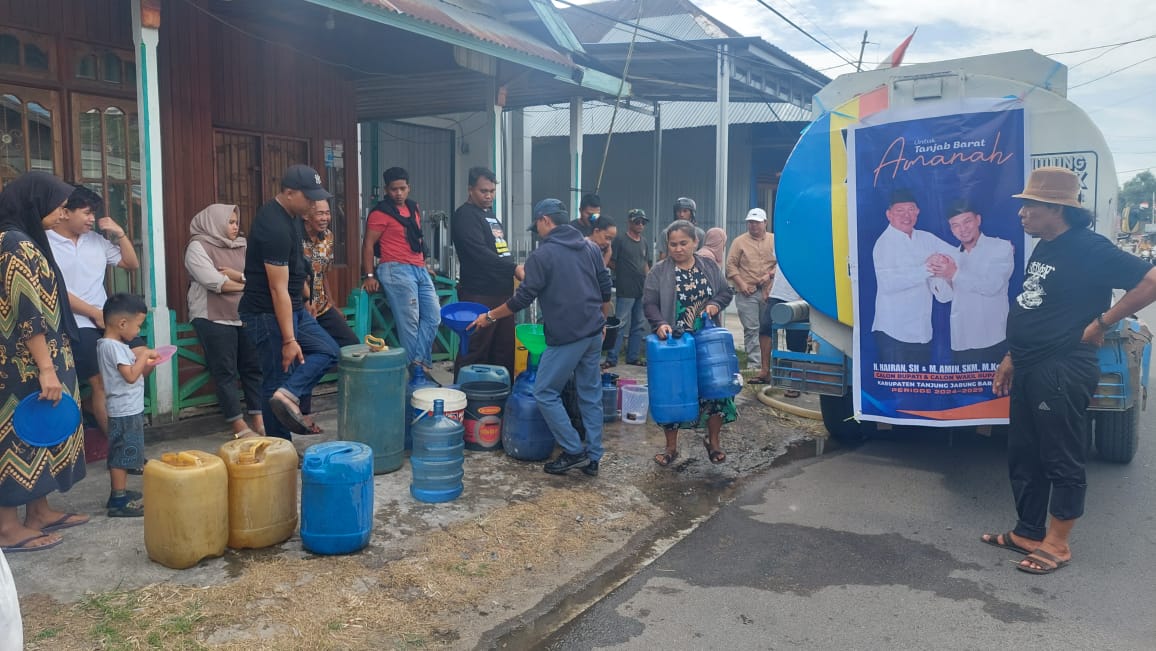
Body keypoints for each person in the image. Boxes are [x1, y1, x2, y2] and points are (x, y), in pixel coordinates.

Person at [984, 167, 1156, 575]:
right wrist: (1012, 356)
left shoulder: (1088, 247)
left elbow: (1150, 278)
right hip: (1029, 364)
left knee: (1059, 456)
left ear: (1056, 209)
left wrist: (1102, 322)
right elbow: (1034, 304)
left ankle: (1057, 544)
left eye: (1030, 206)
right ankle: (1027, 531)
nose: (1022, 213)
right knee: (1024, 453)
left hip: (1062, 366)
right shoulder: (1045, 245)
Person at [468, 199, 612, 477]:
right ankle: (593, 456)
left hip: (568, 335)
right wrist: (602, 322)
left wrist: (489, 317)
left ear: (545, 220)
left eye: (537, 225)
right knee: (590, 393)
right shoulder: (591, 247)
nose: (537, 231)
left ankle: (573, 450)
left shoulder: (542, 255)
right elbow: (605, 289)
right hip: (593, 331)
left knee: (544, 392)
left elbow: (522, 298)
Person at [0, 172, 89, 553]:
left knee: (43, 434)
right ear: (34, 202)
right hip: (24, 366)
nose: (62, 211)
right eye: (58, 204)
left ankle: (39, 511)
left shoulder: (27, 240)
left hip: (41, 359)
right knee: (17, 438)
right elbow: (26, 311)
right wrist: (46, 368)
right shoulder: (12, 243)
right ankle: (6, 528)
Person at [238, 164, 340, 440]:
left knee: (329, 350)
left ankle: (289, 395)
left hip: (294, 306)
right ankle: (280, 448)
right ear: (288, 192)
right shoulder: (273, 226)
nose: (314, 203)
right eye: (308, 197)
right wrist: (288, 340)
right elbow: (276, 288)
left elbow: (297, 267)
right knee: (275, 379)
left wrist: (305, 296)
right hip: (265, 314)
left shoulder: (292, 216)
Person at [47, 185, 140, 438]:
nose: (92, 219)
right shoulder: (46, 243)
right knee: (100, 382)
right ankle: (120, 446)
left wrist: (120, 233)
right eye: (87, 213)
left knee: (142, 359)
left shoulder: (97, 241)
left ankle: (99, 416)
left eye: (93, 213)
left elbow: (131, 264)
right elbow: (55, 289)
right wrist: (93, 313)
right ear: (65, 212)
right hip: (75, 322)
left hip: (105, 319)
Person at [644, 220, 735, 467]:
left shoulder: (708, 266)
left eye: (683, 243)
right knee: (673, 392)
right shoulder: (659, 271)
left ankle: (713, 442)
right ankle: (671, 448)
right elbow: (649, 302)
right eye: (673, 244)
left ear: (695, 242)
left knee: (715, 392)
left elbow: (726, 292)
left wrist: (715, 303)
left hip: (706, 341)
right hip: (676, 343)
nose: (678, 248)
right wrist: (660, 323)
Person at [185, 203, 264, 439]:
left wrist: (238, 277)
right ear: (214, 222)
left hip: (244, 314)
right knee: (225, 371)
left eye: (236, 222)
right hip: (212, 317)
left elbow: (256, 274)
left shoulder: (243, 245)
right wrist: (248, 286)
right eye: (230, 222)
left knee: (253, 367)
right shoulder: (197, 247)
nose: (235, 226)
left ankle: (259, 419)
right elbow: (214, 283)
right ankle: (238, 425)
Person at [361, 167, 439, 372]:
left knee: (434, 316)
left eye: (402, 188)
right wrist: (370, 275)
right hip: (395, 269)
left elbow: (417, 238)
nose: (399, 193)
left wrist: (424, 264)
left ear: (408, 188)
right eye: (394, 189)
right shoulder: (380, 213)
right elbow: (368, 244)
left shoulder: (413, 208)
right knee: (410, 323)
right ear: (386, 189)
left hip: (418, 268)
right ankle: (416, 373)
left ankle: (417, 363)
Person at [451, 167, 522, 377]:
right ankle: (463, 397)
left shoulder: (490, 216)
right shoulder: (464, 216)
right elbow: (480, 253)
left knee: (503, 349)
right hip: (478, 293)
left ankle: (499, 399)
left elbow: (501, 251)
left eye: (492, 190)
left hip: (503, 293)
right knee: (475, 347)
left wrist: (512, 270)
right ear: (470, 189)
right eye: (483, 191)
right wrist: (513, 267)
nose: (489, 195)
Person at [870, 188, 954, 366]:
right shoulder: (884, 243)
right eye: (900, 211)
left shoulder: (926, 238)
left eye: (911, 210)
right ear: (889, 214)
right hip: (893, 333)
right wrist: (928, 267)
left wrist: (995, 251)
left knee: (920, 387)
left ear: (917, 212)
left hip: (922, 332)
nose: (906, 215)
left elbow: (957, 254)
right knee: (898, 391)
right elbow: (888, 283)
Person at [933, 199, 1015, 364]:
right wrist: (940, 273)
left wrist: (954, 273)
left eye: (967, 221)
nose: (962, 229)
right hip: (961, 340)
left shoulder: (1001, 247)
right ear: (951, 229)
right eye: (955, 225)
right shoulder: (952, 255)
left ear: (978, 220)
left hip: (993, 338)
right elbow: (943, 297)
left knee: (998, 388)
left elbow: (993, 286)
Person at [97, 294, 156, 517]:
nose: (138, 332)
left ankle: (118, 494)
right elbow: (131, 376)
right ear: (122, 323)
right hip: (124, 411)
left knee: (125, 453)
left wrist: (150, 363)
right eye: (138, 326)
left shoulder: (118, 346)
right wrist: (145, 355)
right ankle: (118, 501)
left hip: (128, 408)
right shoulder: (112, 347)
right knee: (121, 456)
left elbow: (136, 374)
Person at [726, 208, 776, 370]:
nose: (753, 225)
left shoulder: (775, 240)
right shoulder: (739, 241)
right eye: (750, 222)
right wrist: (741, 284)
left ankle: (768, 363)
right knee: (751, 328)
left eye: (757, 222)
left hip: (770, 291)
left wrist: (769, 275)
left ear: (765, 223)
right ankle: (755, 364)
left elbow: (781, 262)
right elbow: (731, 265)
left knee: (768, 328)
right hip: (747, 291)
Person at [606, 209, 652, 368]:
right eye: (637, 221)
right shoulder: (620, 240)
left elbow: (646, 264)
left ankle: (632, 356)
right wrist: (622, 272)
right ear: (630, 222)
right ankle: (612, 358)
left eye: (643, 222)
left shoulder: (644, 242)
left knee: (639, 324)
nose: (640, 225)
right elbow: (610, 260)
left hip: (640, 289)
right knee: (620, 324)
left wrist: (649, 281)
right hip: (625, 289)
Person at [754, 268, 806, 395]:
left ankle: (796, 381)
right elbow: (778, 264)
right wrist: (770, 284)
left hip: (800, 293)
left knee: (796, 336)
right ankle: (765, 371)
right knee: (766, 326)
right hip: (778, 293)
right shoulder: (779, 247)